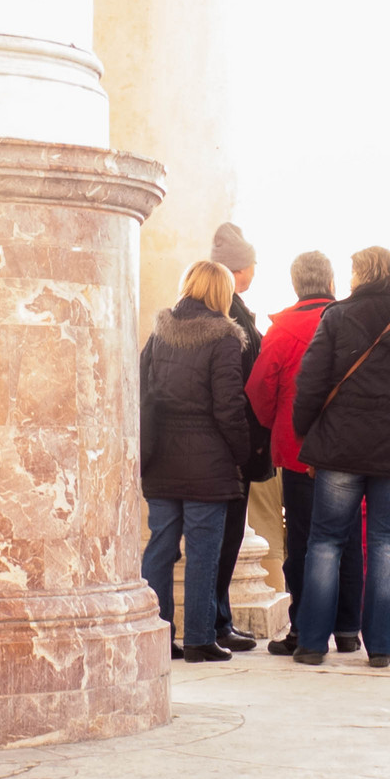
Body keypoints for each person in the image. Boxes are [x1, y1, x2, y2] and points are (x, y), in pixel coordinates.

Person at [288, 246, 390, 667]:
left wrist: (307, 433)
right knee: (386, 544)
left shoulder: (337, 318)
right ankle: (380, 648)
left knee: (324, 542)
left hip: (341, 448)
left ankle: (310, 643)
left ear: (360, 275)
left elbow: (311, 382)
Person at [245, 250, 365, 655]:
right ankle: (348, 629)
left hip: (299, 451)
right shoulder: (353, 323)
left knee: (305, 542)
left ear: (296, 285)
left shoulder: (282, 330)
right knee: (347, 539)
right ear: (331, 283)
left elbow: (260, 389)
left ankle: (304, 629)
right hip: (349, 448)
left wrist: (273, 425)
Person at [139, 261, 250, 662]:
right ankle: (201, 638)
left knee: (160, 547)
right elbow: (229, 407)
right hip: (209, 462)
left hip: (161, 458)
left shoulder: (159, 331)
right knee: (204, 551)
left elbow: (142, 387)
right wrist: (243, 453)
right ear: (220, 292)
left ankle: (156, 633)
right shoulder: (224, 337)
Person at [208, 222, 272, 652]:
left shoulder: (228, 308)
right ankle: (215, 623)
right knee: (224, 539)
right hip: (230, 446)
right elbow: (236, 392)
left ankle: (219, 619)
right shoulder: (232, 314)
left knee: (224, 538)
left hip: (223, 445)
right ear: (241, 270)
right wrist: (244, 446)